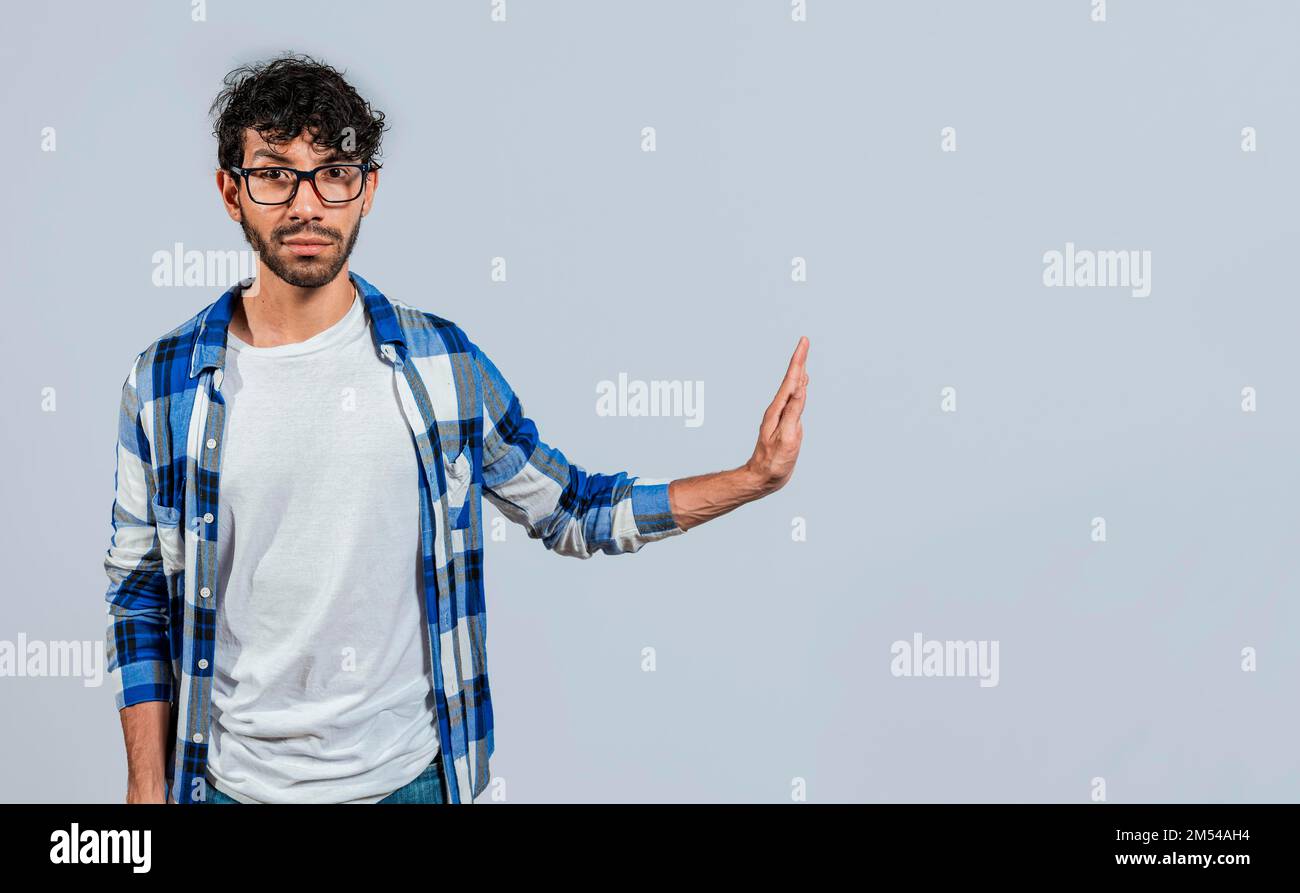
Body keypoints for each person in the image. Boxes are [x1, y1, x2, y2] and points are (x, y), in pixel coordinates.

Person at [103, 52, 810, 805]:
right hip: (229, 789)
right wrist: (147, 793)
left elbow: (573, 509)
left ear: (367, 189)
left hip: (413, 782)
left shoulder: (443, 365)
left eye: (334, 171)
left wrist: (750, 478)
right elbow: (138, 597)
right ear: (230, 191)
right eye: (275, 172)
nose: (306, 204)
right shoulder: (164, 383)